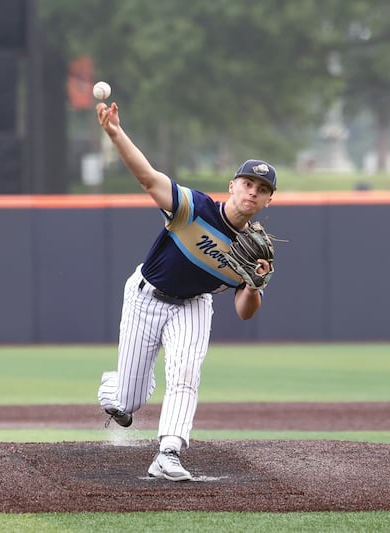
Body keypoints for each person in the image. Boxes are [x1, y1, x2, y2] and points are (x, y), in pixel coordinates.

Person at [94, 100, 276, 481]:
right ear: (233, 185)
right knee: (129, 400)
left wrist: (255, 285)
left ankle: (169, 452)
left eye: (262, 189)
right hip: (146, 295)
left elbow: (245, 310)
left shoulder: (254, 251)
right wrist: (114, 132)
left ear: (268, 200)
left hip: (193, 306)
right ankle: (116, 391)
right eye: (247, 183)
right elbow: (148, 178)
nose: (252, 192)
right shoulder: (193, 208)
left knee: (186, 373)